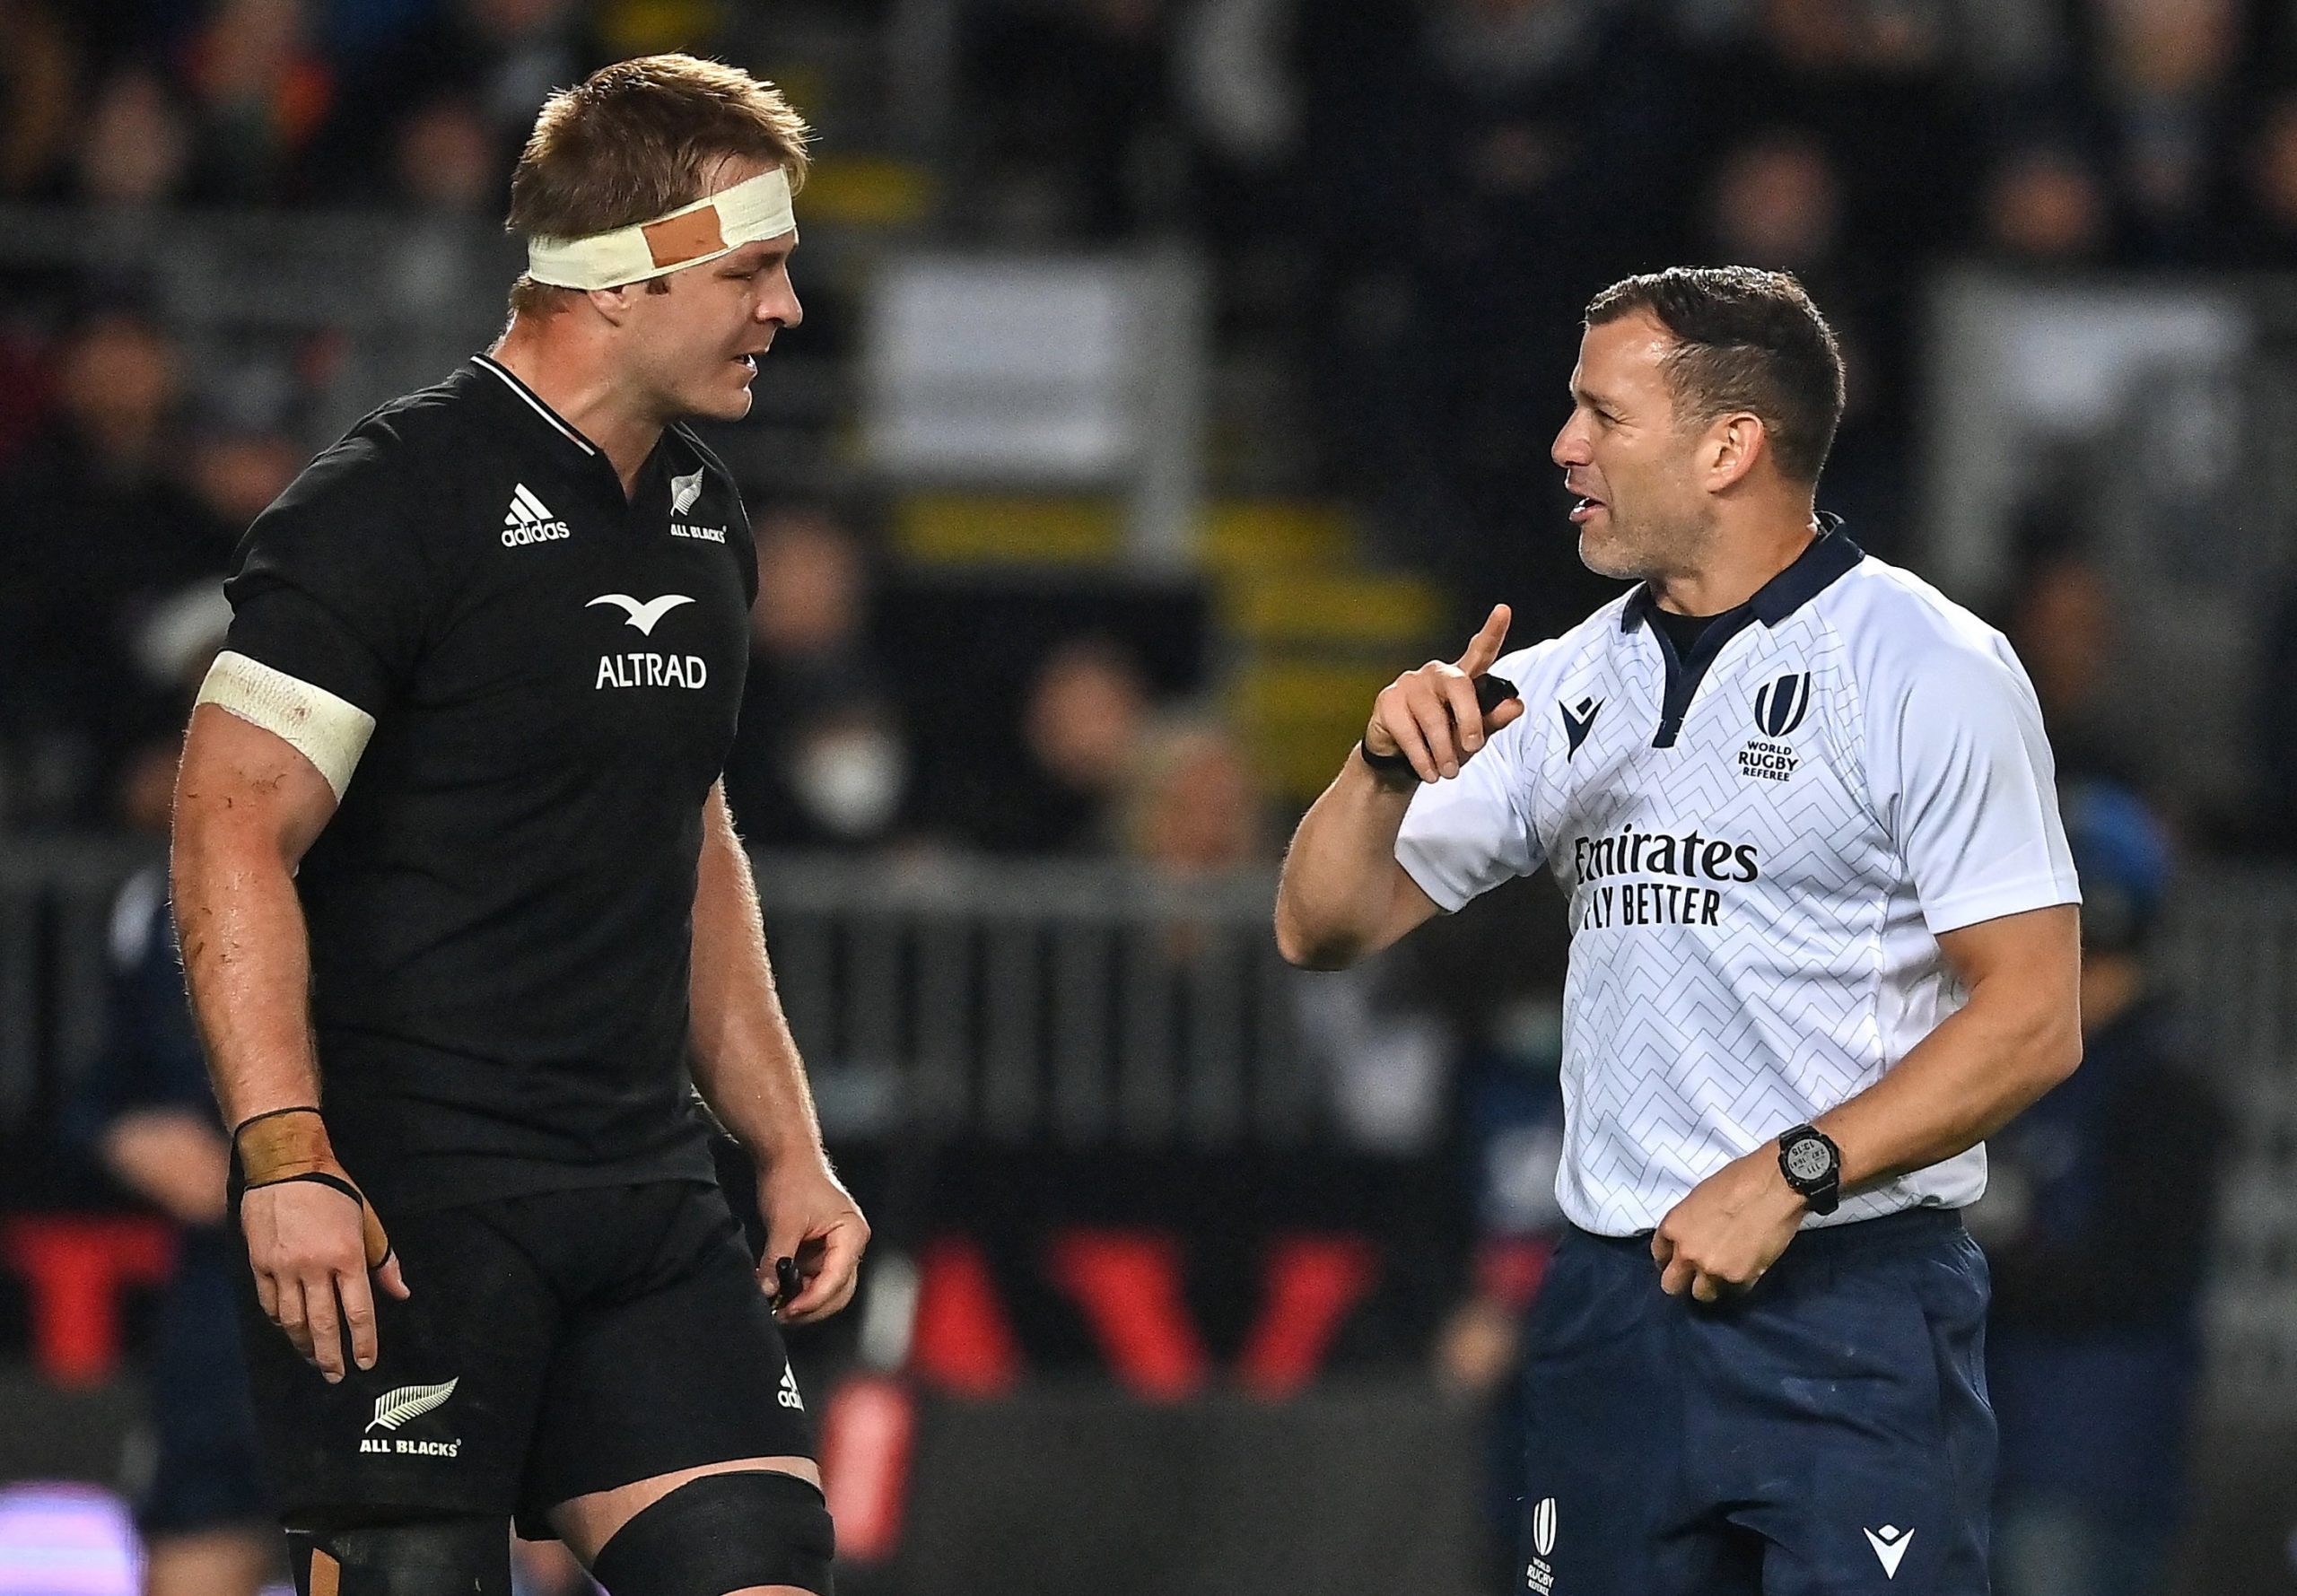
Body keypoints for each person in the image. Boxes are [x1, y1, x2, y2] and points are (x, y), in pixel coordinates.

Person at [169, 54, 867, 1596]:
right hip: (411, 1206)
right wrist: (285, 1152)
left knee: (762, 1571)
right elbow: (227, 826)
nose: (787, 310)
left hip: (641, 1194)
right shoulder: (386, 502)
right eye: (756, 268)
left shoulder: (703, 514)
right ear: (623, 278)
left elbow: (685, 828)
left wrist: (788, 1142)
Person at [1275, 266, 2083, 1594]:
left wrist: (1795, 1170)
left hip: (1851, 1295)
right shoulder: (1561, 680)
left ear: (1729, 445)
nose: (1565, 445)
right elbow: (1323, 924)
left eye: (1603, 413)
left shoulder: (1927, 666)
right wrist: (1374, 771)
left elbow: (2033, 1015)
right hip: (1614, 1302)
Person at [1979, 781, 2224, 1596]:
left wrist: (1971, 1265)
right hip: (1988, 1444)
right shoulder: (2010, 1065)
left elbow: (2129, 1275)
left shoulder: (2164, 1085)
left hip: (2088, 1464)